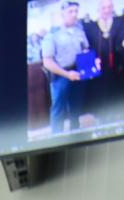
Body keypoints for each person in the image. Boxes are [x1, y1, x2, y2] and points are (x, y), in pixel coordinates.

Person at [43, 1, 90, 133]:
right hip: (60, 76)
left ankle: (76, 134)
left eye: (76, 11)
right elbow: (47, 62)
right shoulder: (52, 34)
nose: (74, 14)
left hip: (78, 73)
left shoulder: (79, 30)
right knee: (59, 110)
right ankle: (56, 140)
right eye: (71, 11)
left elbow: (85, 48)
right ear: (62, 13)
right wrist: (67, 74)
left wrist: (89, 60)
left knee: (76, 108)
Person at [84, 0, 124, 121]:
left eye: (109, 7)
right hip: (98, 70)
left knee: (117, 98)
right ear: (98, 10)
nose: (107, 10)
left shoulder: (120, 22)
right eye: (104, 8)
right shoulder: (90, 26)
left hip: (117, 69)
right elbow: (86, 47)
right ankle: (101, 123)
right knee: (100, 99)